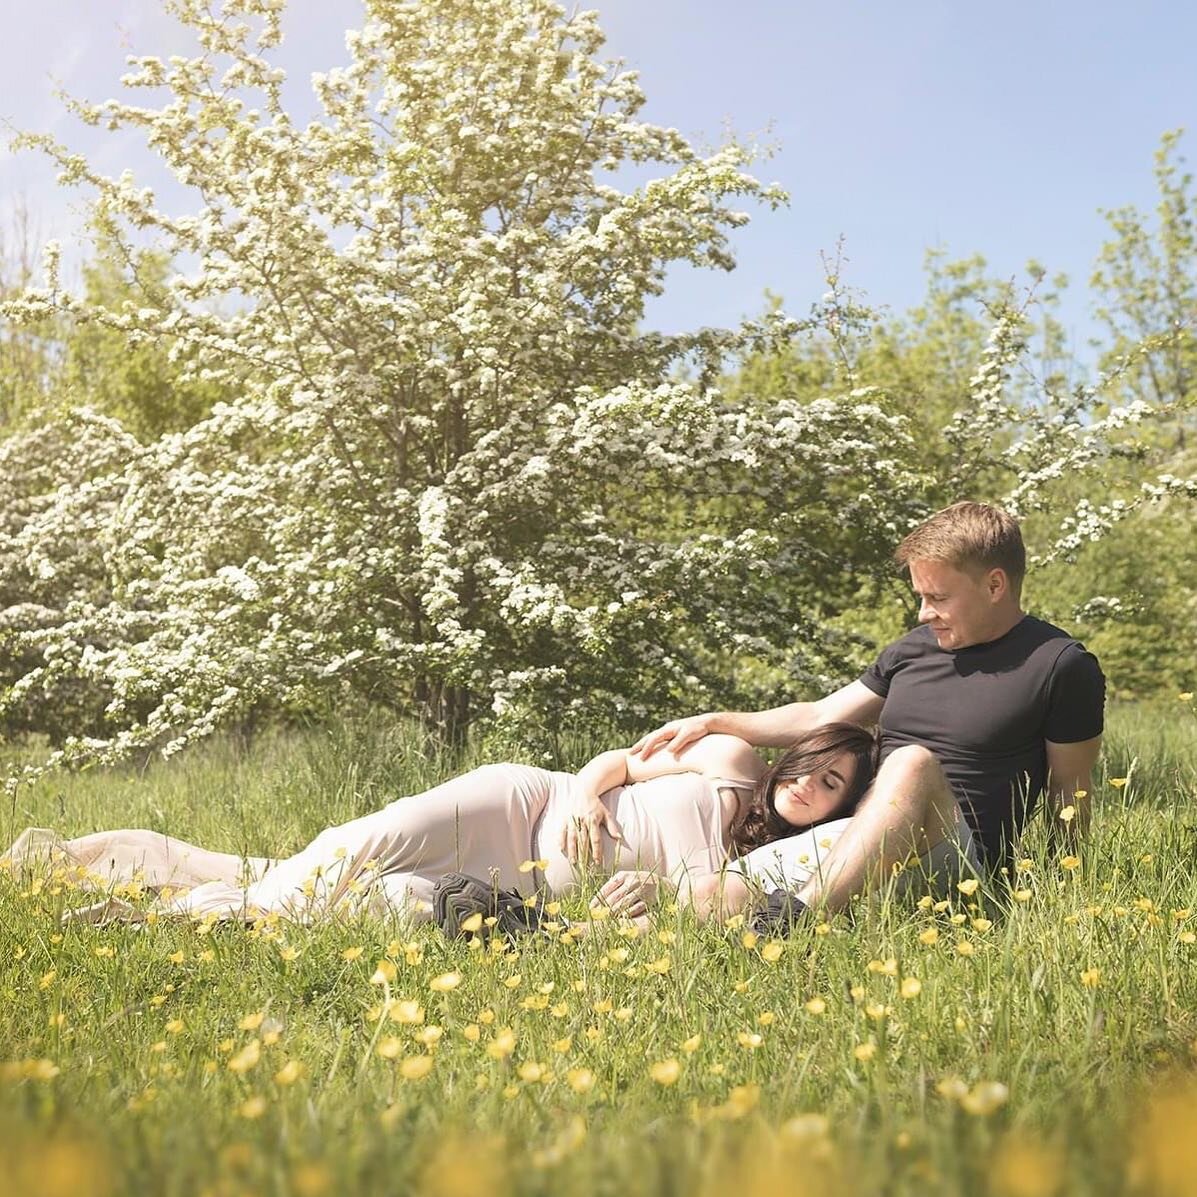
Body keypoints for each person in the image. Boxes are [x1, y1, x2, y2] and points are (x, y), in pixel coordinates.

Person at [632, 501, 1106, 926]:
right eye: (921, 596)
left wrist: (1060, 897)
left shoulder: (1061, 665)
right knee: (718, 893)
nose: (924, 613)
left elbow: (1070, 790)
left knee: (910, 762)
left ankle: (800, 921)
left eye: (938, 598)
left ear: (995, 585)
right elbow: (819, 714)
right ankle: (577, 933)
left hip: (959, 864)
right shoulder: (915, 650)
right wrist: (718, 721)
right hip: (864, 843)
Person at [1, 723, 876, 926]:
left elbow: (675, 912)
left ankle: (158, 889)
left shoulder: (759, 870)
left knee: (352, 899)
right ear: (792, 759)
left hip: (509, 886)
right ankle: (167, 896)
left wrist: (647, 903)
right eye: (815, 768)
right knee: (347, 850)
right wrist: (582, 793)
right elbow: (622, 765)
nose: (816, 788)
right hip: (522, 805)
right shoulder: (730, 761)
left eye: (836, 787)